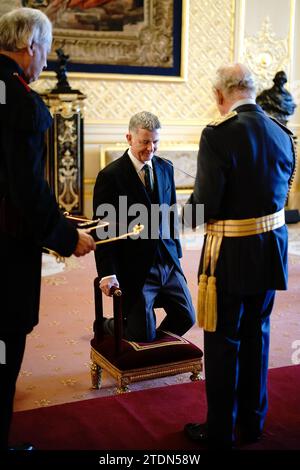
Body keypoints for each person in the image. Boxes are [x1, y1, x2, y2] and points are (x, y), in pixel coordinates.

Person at [184, 63, 295, 448]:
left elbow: (206, 204)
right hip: (270, 251)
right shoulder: (283, 133)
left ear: (220, 95)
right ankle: (252, 424)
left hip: (229, 255)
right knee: (257, 335)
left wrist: (178, 216)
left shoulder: (218, 135)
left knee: (223, 342)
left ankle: (219, 432)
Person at [0, 7, 96, 451]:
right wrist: (64, 236)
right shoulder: (20, 102)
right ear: (30, 46)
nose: (45, 59)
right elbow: (26, 192)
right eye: (47, 49)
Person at [93, 111, 195, 342]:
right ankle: (106, 325)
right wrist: (107, 273)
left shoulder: (165, 167)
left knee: (186, 317)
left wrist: (176, 254)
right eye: (144, 142)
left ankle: (150, 345)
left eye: (155, 142)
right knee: (142, 334)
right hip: (135, 267)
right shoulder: (110, 176)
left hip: (167, 261)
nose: (150, 148)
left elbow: (170, 214)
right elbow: (102, 229)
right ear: (129, 138)